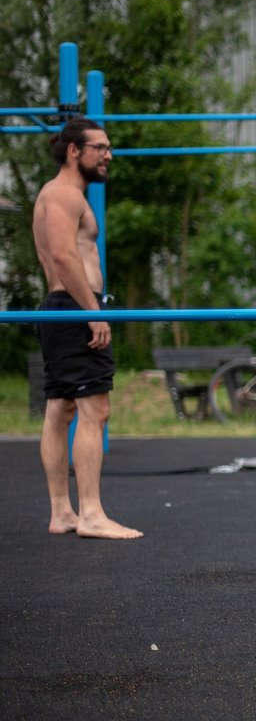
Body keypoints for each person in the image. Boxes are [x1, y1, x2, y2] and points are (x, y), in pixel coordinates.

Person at [31, 117, 142, 539]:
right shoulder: (62, 194)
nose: (108, 155)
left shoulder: (58, 194)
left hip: (62, 309)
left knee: (60, 409)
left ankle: (63, 512)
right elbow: (63, 256)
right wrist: (93, 312)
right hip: (75, 310)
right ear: (75, 150)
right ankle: (91, 514)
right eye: (101, 148)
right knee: (95, 409)